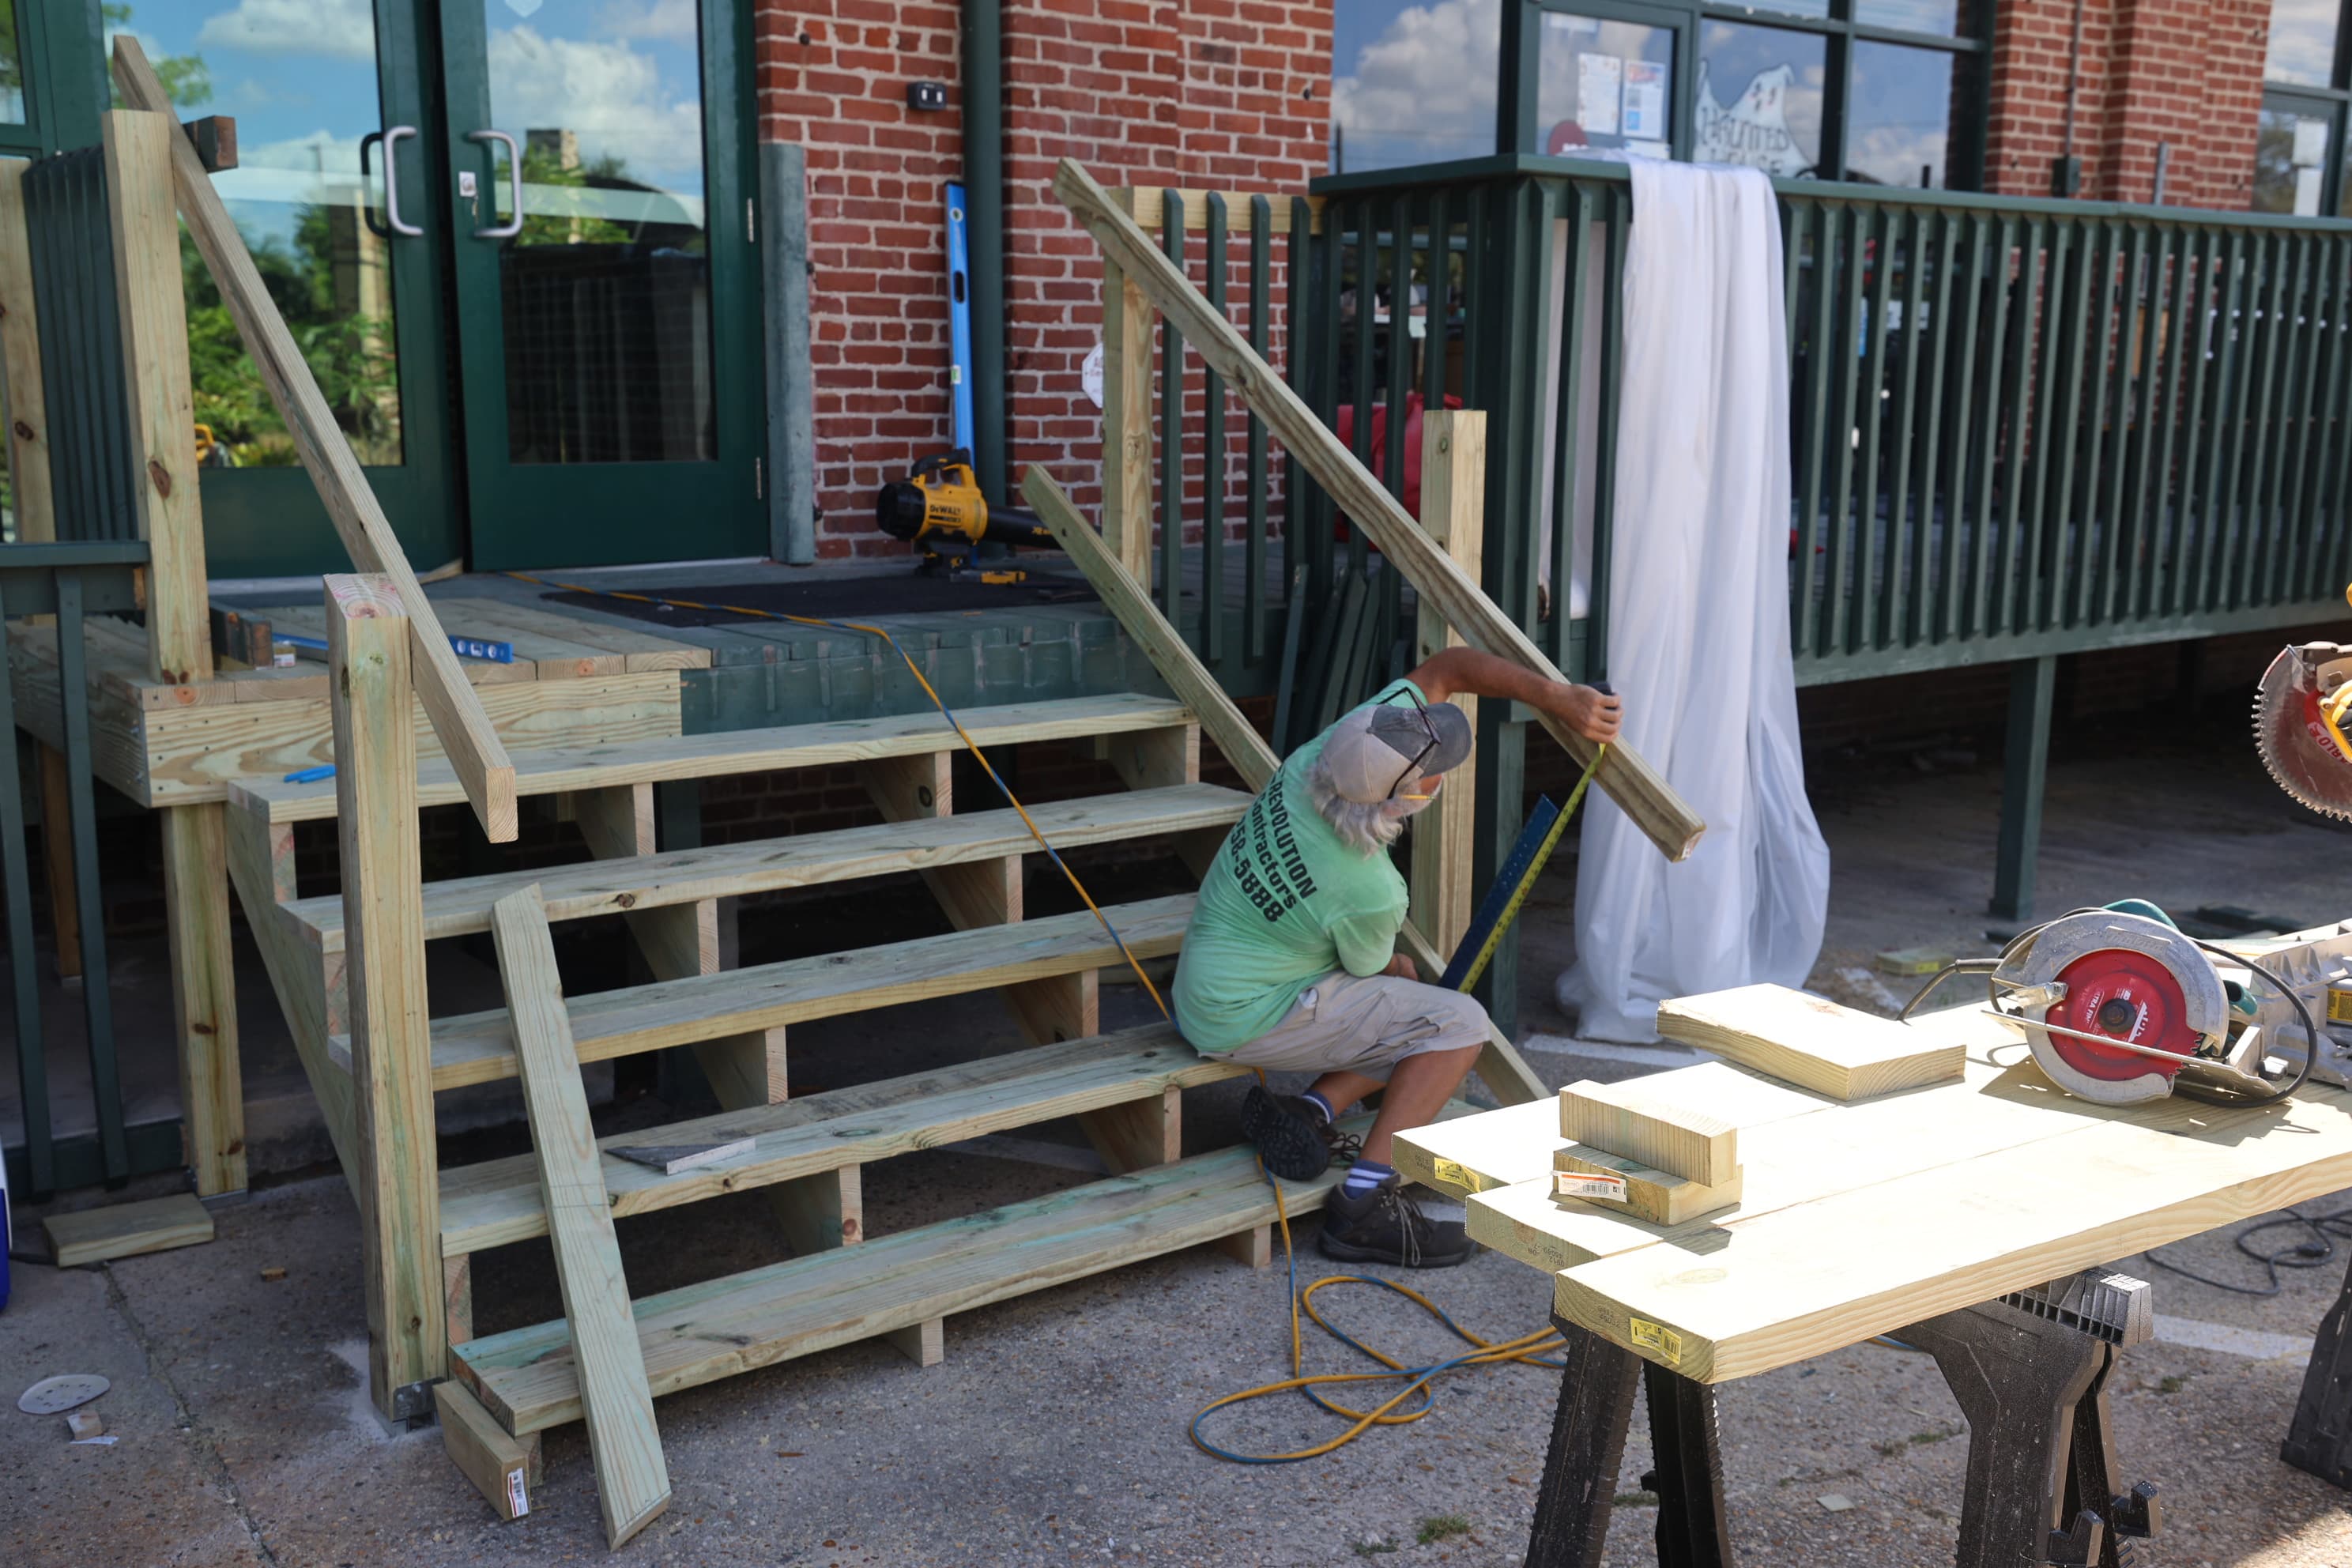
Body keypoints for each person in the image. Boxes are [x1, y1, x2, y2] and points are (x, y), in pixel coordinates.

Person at [1172, 646, 1623, 1267]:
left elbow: (1447, 668)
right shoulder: (1370, 888)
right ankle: (1362, 1207)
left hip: (1214, 973)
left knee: (1411, 1008)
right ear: (1399, 802)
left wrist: (1557, 697)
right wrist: (1396, 970)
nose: (1441, 767)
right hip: (1240, 1016)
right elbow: (1373, 970)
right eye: (1433, 771)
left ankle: (1312, 1108)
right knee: (1455, 1023)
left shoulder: (1336, 751)